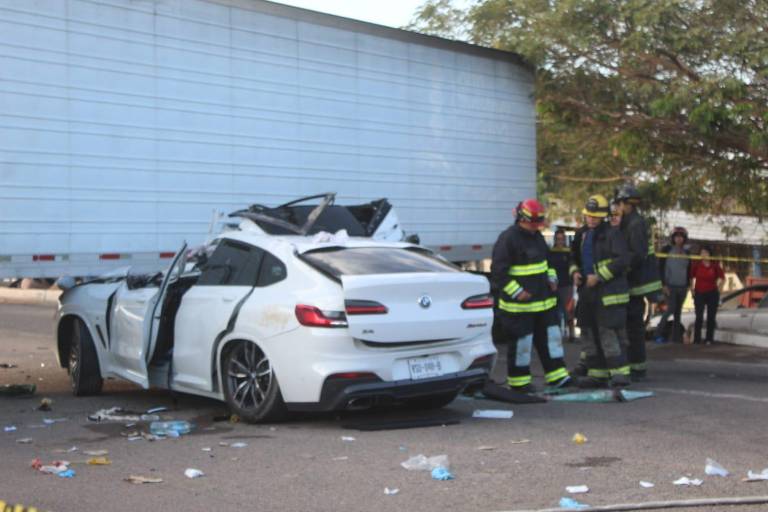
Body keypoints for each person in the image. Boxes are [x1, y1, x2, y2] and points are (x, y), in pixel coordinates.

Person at [491, 199, 571, 392]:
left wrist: (552, 279)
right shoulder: (508, 239)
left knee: (551, 339)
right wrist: (517, 292)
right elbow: (499, 272)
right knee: (522, 344)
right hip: (519, 308)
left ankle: (558, 376)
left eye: (538, 222)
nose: (535, 226)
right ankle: (519, 383)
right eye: (532, 222)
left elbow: (547, 263)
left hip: (544, 303)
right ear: (520, 218)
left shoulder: (537, 237)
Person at [569, 195, 632, 387]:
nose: (591, 219)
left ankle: (620, 374)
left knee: (608, 333)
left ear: (603, 216)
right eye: (589, 215)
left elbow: (623, 260)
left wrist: (599, 276)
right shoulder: (582, 234)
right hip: (587, 292)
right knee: (588, 331)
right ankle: (597, 374)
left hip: (608, 293)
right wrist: (575, 272)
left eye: (596, 216)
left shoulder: (612, 234)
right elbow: (573, 258)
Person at [614, 183, 662, 380]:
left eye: (619, 204)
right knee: (632, 327)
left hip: (636, 284)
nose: (617, 207)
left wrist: (619, 268)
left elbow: (637, 254)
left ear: (626, 204)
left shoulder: (634, 224)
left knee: (633, 328)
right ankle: (635, 367)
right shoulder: (630, 222)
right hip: (635, 283)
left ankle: (637, 369)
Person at [655, 227, 691, 343]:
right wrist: (663, 284)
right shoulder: (667, 250)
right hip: (670, 285)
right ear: (673, 238)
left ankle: (675, 338)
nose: (679, 239)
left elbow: (688, 270)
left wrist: (688, 285)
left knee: (678, 312)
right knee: (670, 308)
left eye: (681, 236)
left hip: (682, 286)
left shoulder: (687, 252)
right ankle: (657, 333)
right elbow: (660, 267)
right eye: (676, 236)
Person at [690, 246, 725, 344]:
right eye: (702, 253)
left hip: (712, 293)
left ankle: (709, 339)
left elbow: (722, 278)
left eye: (705, 252)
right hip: (699, 293)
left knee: (711, 317)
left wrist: (719, 288)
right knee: (699, 317)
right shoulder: (697, 264)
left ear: (710, 254)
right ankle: (697, 339)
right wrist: (692, 289)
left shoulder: (715, 265)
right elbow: (691, 277)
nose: (703, 255)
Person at [548, 228, 576, 343]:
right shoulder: (550, 252)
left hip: (567, 285)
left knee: (569, 310)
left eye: (562, 239)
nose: (560, 242)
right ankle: (558, 334)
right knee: (555, 312)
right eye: (558, 239)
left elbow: (573, 265)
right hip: (554, 286)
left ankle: (572, 334)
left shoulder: (569, 252)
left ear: (565, 240)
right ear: (555, 240)